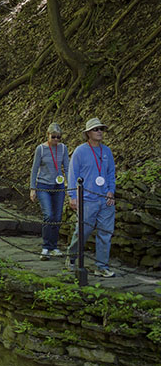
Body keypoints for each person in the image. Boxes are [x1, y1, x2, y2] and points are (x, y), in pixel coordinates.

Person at [66, 118, 117, 278]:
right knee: (83, 232)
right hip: (87, 199)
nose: (100, 132)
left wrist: (111, 191)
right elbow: (73, 174)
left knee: (105, 233)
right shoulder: (80, 151)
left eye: (101, 129)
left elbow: (111, 173)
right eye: (96, 129)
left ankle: (101, 267)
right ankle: (72, 256)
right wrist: (73, 196)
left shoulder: (107, 151)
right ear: (88, 133)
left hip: (105, 200)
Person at [30, 122, 69, 260]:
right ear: (48, 135)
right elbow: (34, 169)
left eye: (58, 137)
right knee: (49, 215)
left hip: (58, 186)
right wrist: (32, 188)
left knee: (57, 217)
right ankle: (46, 247)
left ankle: (54, 246)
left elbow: (67, 168)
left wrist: (71, 186)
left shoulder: (63, 148)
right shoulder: (40, 149)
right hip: (43, 185)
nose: (56, 140)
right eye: (53, 137)